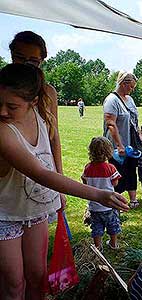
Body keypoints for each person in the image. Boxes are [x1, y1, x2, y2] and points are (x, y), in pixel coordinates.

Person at [0, 63, 129, 300]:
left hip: (34, 208)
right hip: (5, 215)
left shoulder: (41, 118)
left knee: (38, 277)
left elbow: (50, 154)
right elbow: (41, 173)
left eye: (12, 106)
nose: (2, 111)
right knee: (13, 282)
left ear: (34, 103)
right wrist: (98, 194)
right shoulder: (3, 131)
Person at [9, 31, 66, 216]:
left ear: (42, 61)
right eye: (20, 58)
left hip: (42, 178)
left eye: (33, 60)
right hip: (9, 179)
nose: (26, 65)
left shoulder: (48, 92)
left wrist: (60, 182)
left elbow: (54, 137)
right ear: (11, 56)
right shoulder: (4, 91)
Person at [103, 71, 142, 209]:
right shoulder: (111, 100)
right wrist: (119, 145)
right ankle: (117, 202)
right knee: (118, 174)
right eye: (131, 87)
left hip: (131, 145)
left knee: (132, 170)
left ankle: (133, 200)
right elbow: (111, 124)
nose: (132, 90)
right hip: (117, 146)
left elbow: (134, 121)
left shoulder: (130, 100)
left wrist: (140, 138)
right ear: (123, 83)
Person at [81, 137, 122, 251]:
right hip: (109, 204)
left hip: (94, 205)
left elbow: (84, 180)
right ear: (108, 151)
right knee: (112, 225)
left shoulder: (88, 168)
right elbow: (115, 182)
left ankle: (98, 247)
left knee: (96, 227)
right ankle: (113, 244)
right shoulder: (110, 168)